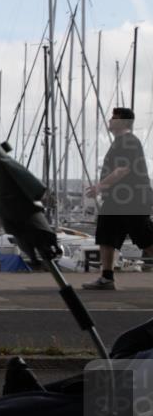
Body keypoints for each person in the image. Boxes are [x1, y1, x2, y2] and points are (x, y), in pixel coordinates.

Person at [83, 107, 153, 290]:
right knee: (106, 234)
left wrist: (99, 187)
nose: (110, 120)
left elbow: (122, 170)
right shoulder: (119, 142)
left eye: (114, 118)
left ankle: (107, 278)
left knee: (144, 238)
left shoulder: (128, 142)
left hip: (133, 199)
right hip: (117, 200)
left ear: (123, 122)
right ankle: (107, 278)